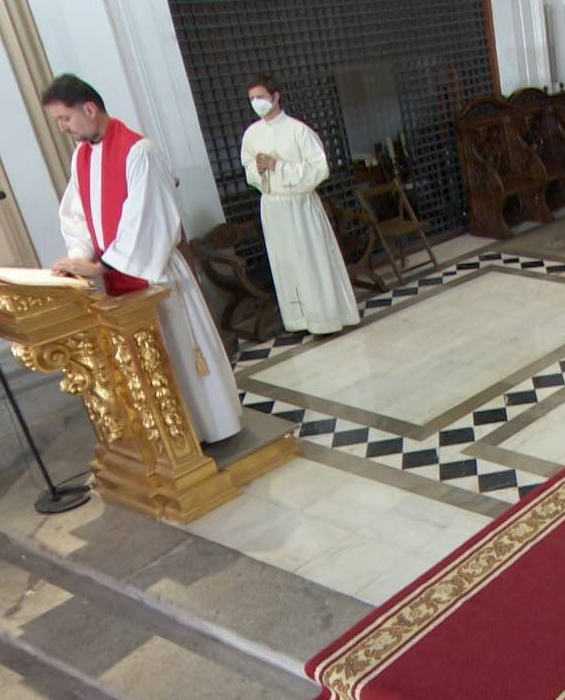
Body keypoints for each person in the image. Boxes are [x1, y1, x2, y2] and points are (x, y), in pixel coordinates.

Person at [42, 74, 242, 444]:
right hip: (118, 278)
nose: (63, 128)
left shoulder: (140, 151)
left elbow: (150, 219)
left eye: (65, 118)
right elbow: (77, 217)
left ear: (90, 108)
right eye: (58, 121)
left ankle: (208, 430)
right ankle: (174, 438)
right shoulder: (82, 156)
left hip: (156, 274)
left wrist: (102, 265)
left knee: (179, 357)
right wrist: (78, 260)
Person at [239, 75, 360, 337]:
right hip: (273, 207)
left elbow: (319, 168)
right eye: (252, 99)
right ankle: (298, 319)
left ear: (275, 96)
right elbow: (248, 169)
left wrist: (278, 166)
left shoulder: (299, 131)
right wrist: (258, 168)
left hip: (300, 205)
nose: (256, 103)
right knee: (286, 264)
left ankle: (325, 317)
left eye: (260, 97)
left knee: (310, 260)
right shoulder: (252, 134)